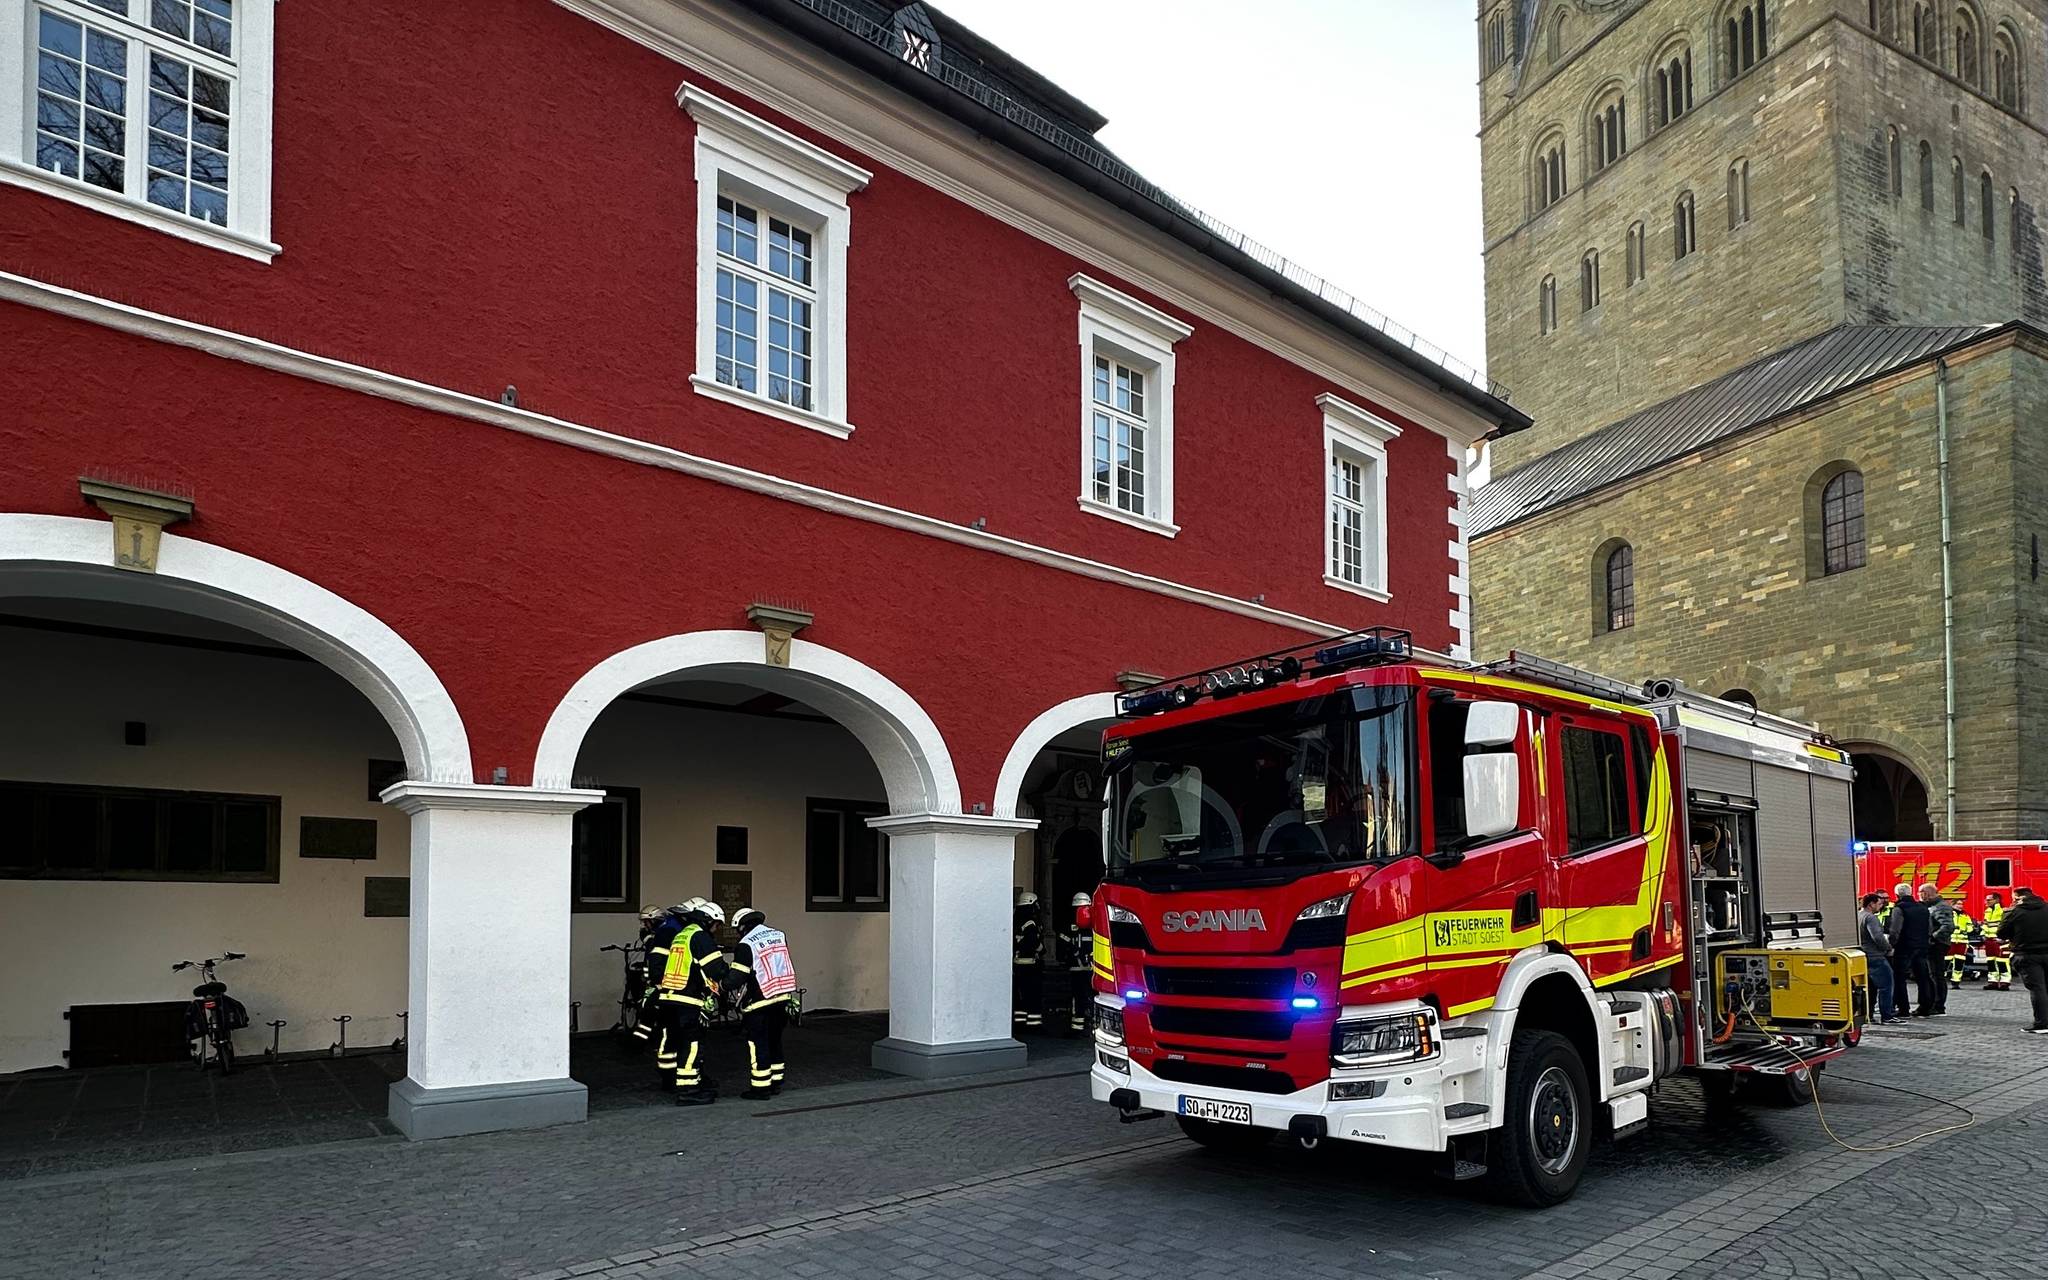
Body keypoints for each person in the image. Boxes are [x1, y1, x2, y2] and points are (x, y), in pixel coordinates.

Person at [651, 900, 731, 1105]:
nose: (717, 929)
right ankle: (689, 1090)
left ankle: (673, 1080)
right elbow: (716, 968)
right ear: (709, 920)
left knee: (673, 1041)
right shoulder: (700, 936)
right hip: (688, 1000)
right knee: (692, 1044)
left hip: (669, 998)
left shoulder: (683, 934)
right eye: (717, 924)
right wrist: (731, 974)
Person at [728, 907, 797, 1098]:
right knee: (775, 1040)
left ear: (742, 927)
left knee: (758, 1044)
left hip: (759, 1002)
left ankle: (761, 1087)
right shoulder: (779, 935)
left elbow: (737, 977)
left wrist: (723, 983)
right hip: (781, 998)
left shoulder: (746, 944)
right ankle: (776, 1082)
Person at [1996, 884, 2048, 1034]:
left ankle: (2042, 1024)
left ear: (2017, 897)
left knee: (2037, 988)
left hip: (2026, 954)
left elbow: (2001, 933)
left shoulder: (2014, 911)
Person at [1886, 881, 1935, 1017]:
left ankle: (1903, 1009)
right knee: (1922, 977)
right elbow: (1930, 928)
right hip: (1921, 946)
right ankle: (1925, 1007)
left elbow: (1895, 930)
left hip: (1904, 947)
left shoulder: (1899, 909)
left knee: (1899, 978)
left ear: (1897, 895)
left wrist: (1891, 944)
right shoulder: (1923, 908)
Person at [1858, 893, 1899, 1025]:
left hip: (1862, 955)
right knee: (1886, 985)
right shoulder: (1871, 918)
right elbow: (1877, 937)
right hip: (1875, 956)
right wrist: (1888, 948)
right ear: (1871, 904)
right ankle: (1887, 1016)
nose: (1880, 906)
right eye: (1879, 904)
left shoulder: (1858, 915)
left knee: (1869, 988)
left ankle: (1868, 1015)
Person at [1057, 893, 1094, 1035]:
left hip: (1081, 967)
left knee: (1080, 997)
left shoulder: (1091, 925)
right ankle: (1085, 1026)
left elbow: (1062, 943)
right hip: (1087, 968)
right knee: (1085, 997)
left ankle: (1080, 1026)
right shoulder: (1094, 925)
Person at [1920, 884, 1954, 1016]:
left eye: (1920, 893)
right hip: (1934, 944)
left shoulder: (1941, 907)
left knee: (1936, 975)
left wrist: (1932, 937)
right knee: (1932, 975)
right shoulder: (1932, 906)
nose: (1919, 896)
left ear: (1926, 893)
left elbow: (1947, 926)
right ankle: (1933, 1003)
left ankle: (1938, 1005)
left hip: (1937, 945)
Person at [1013, 889, 1043, 1031]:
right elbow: (1034, 942)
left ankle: (1019, 1023)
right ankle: (1034, 1024)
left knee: (1020, 995)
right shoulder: (1030, 923)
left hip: (1017, 964)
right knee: (1033, 994)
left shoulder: (1014, 921)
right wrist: (1042, 949)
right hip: (1030, 964)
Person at [1985, 893, 2013, 990]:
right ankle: (1993, 981)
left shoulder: (2003, 911)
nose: (1986, 902)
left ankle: (2005, 982)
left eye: (1989, 900)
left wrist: (2004, 938)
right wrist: (1983, 935)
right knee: (1991, 961)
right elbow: (1985, 924)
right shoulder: (1987, 911)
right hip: (1989, 940)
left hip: (2001, 941)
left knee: (2003, 961)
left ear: (1996, 900)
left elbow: (2008, 926)